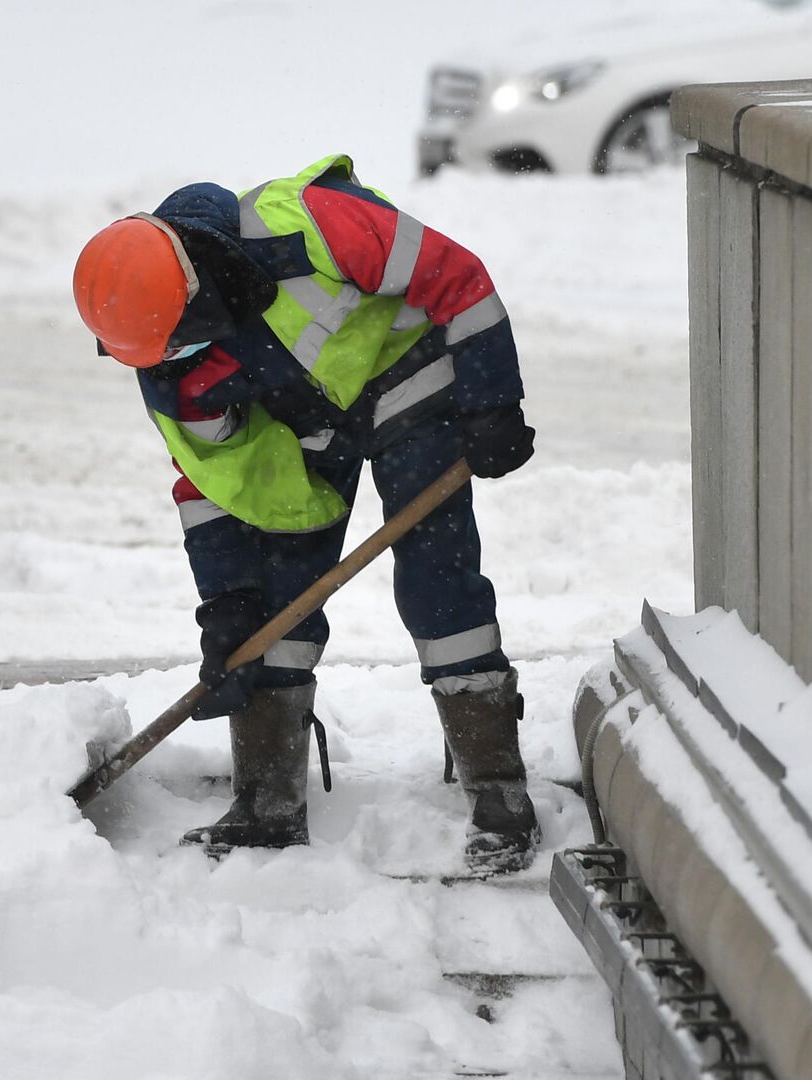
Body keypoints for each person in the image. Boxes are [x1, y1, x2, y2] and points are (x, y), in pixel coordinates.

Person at [70, 155, 540, 875]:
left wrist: (492, 401)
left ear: (200, 286)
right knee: (276, 599)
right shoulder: (167, 364)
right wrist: (227, 602)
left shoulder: (315, 225)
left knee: (438, 580)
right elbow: (214, 486)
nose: (179, 358)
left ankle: (499, 791)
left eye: (183, 339)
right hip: (309, 426)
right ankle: (266, 802)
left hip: (410, 374)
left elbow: (460, 279)